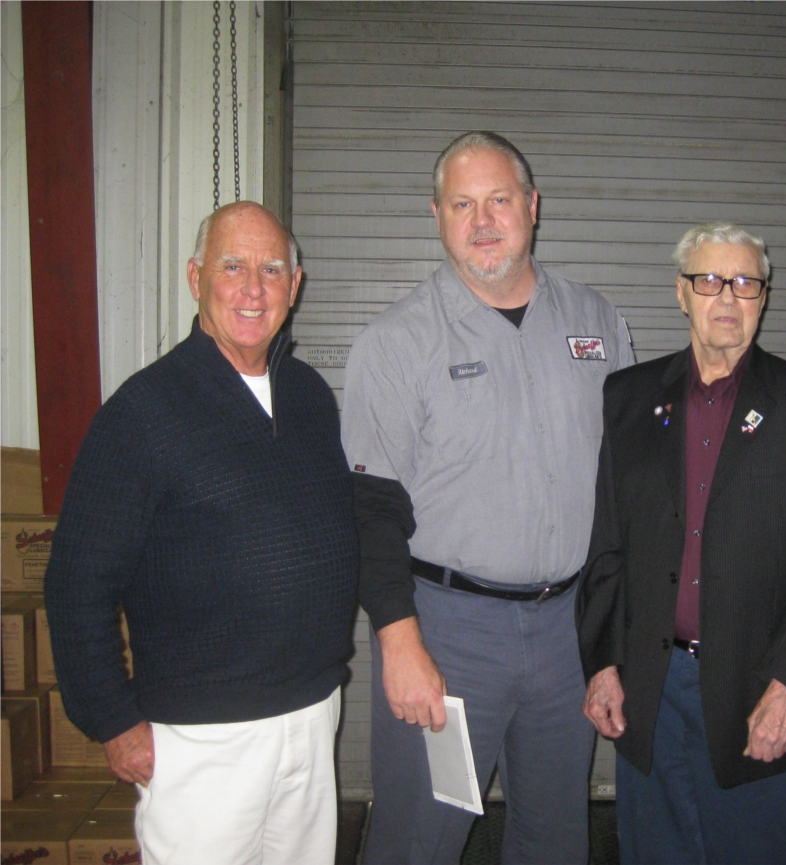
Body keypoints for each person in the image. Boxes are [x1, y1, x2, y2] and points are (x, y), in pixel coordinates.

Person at [342, 131, 634, 864]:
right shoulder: (397, 341)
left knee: (555, 834)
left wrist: (612, 638)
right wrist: (399, 641)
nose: (482, 220)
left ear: (531, 207)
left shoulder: (597, 323)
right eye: (462, 203)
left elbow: (629, 488)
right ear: (436, 214)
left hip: (568, 630)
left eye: (498, 200)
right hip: (448, 634)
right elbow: (370, 510)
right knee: (422, 835)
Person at [43, 201, 359, 863]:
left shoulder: (307, 395)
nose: (253, 287)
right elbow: (76, 584)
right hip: (202, 740)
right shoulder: (143, 412)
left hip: (310, 716)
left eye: (272, 268)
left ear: (294, 286)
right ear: (195, 277)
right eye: (232, 266)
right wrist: (113, 720)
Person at [577, 222, 786, 864]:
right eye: (708, 281)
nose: (726, 297)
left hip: (760, 694)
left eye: (745, 283)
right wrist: (601, 663)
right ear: (681, 294)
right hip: (651, 689)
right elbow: (607, 548)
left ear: (763, 296)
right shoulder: (628, 396)